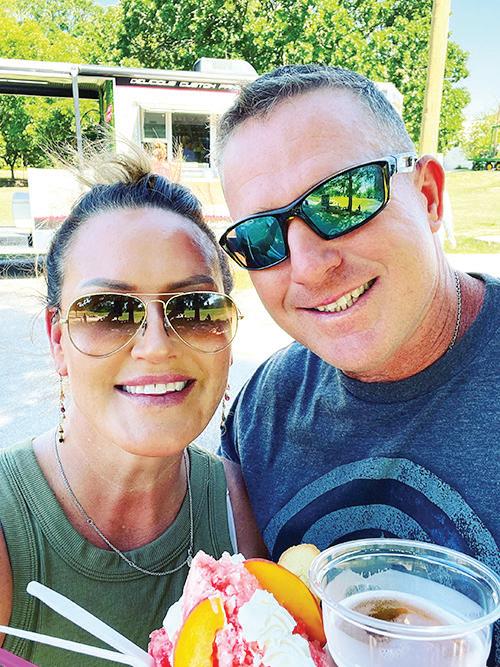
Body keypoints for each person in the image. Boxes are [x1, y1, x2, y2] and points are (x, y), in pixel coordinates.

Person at [216, 65, 499, 663]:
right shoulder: (264, 410)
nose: (308, 266)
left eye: (342, 200)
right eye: (261, 238)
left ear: (429, 196)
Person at [0, 148, 266, 665]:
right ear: (58, 340)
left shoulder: (236, 509)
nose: (156, 346)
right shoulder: (8, 531)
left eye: (196, 308)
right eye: (108, 311)